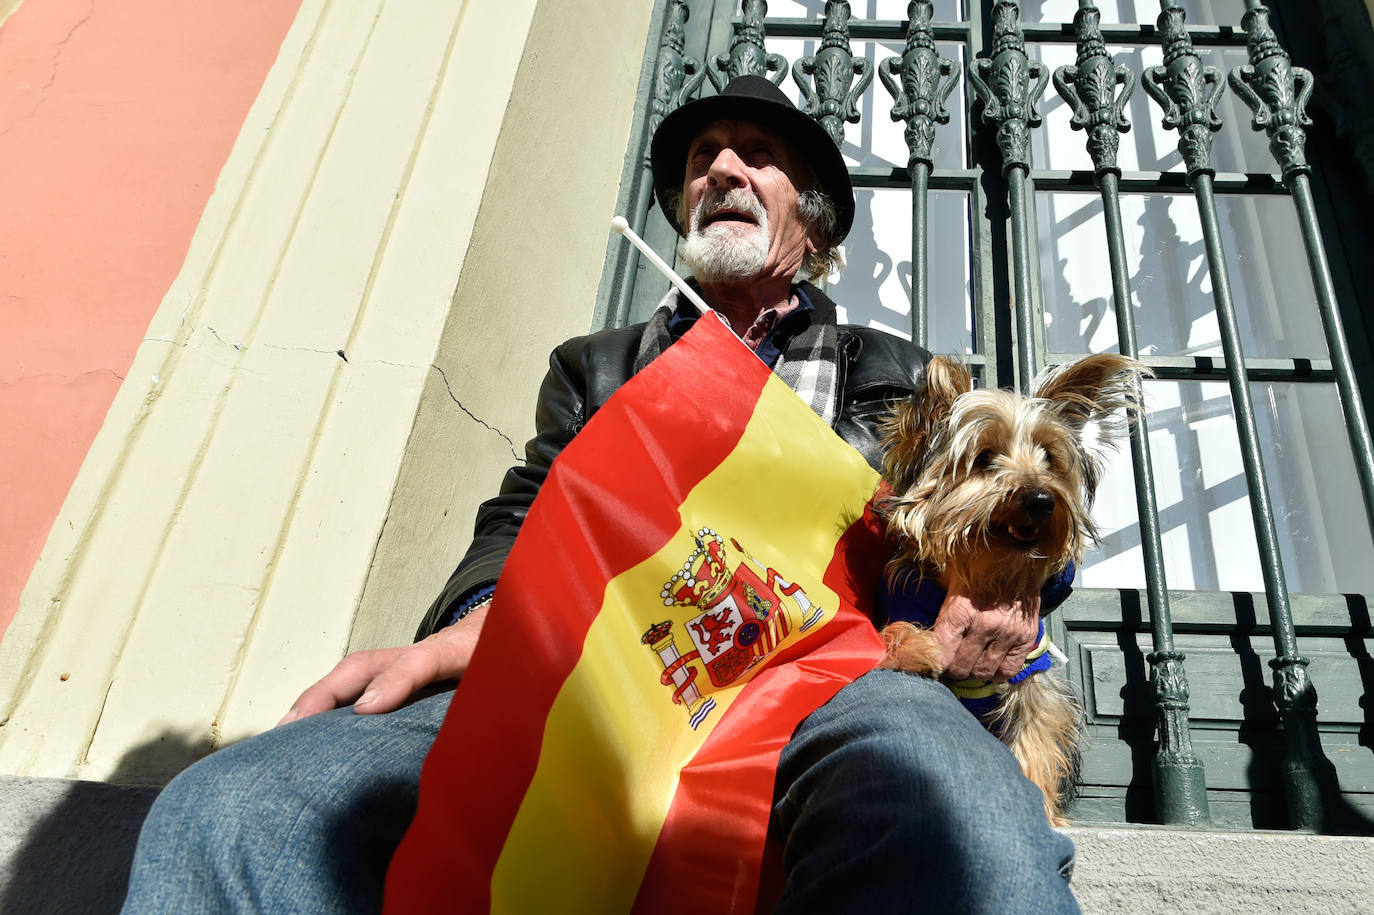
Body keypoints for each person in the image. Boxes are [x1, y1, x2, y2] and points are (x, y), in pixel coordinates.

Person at [123, 76, 1078, 913]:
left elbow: (1017, 507)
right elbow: (524, 509)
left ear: (815, 218)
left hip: (838, 678)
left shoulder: (901, 375)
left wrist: (1002, 597)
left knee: (964, 820)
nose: (724, 171)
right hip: (601, 666)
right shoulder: (597, 366)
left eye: (758, 157)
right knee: (235, 810)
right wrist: (478, 623)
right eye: (705, 157)